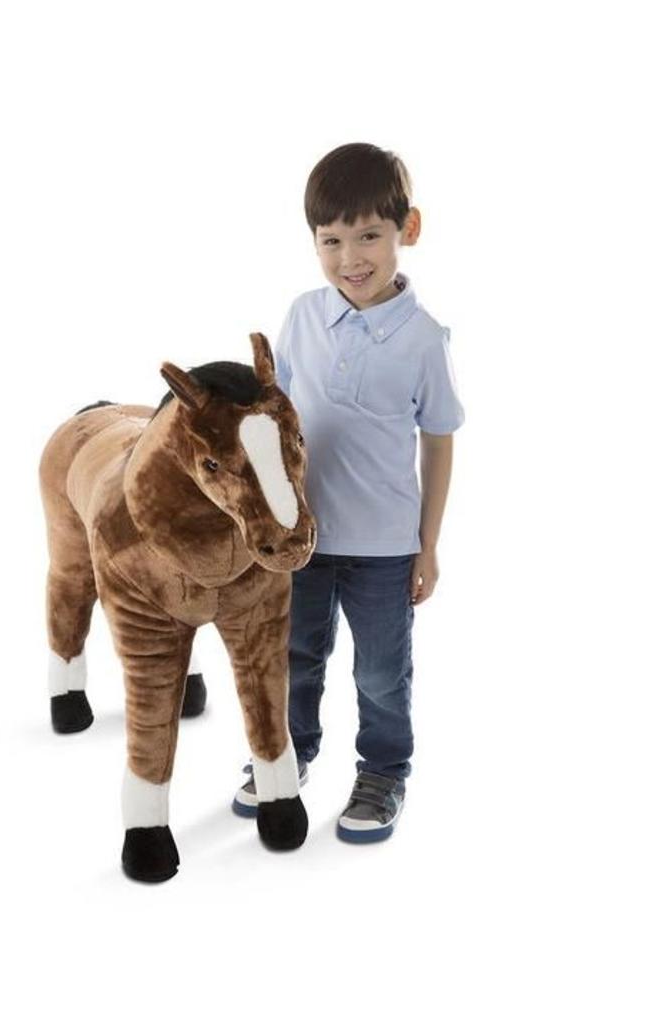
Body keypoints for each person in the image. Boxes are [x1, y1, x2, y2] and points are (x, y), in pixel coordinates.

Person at [233, 142, 465, 843]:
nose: (350, 258)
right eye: (330, 241)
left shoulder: (424, 339)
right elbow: (275, 419)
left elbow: (439, 440)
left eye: (368, 236)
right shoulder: (303, 315)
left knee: (382, 674)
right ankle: (288, 752)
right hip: (303, 540)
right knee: (295, 657)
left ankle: (384, 771)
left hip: (385, 548)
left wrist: (428, 545)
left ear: (407, 229)